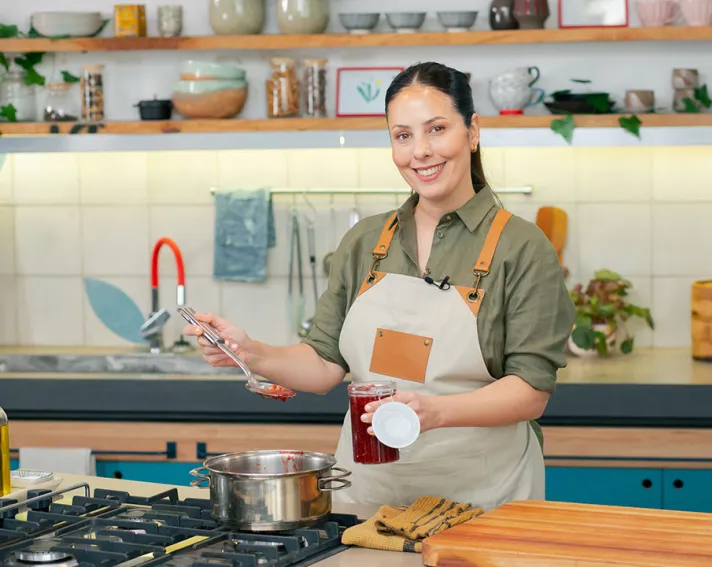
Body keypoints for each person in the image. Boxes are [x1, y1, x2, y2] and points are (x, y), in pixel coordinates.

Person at [184, 61, 575, 511]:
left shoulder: (522, 247)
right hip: (369, 504)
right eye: (402, 135)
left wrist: (435, 413)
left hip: (485, 503)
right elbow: (324, 363)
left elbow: (530, 391)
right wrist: (248, 351)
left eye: (437, 129)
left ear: (472, 131)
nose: (420, 151)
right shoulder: (366, 242)